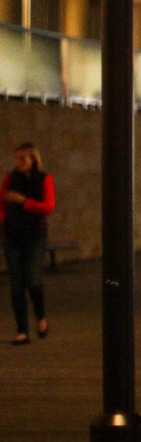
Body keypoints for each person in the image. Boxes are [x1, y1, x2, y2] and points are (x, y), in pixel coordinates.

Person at [1, 143, 55, 345]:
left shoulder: (43, 179)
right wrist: (3, 221)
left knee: (33, 280)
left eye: (23, 158)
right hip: (12, 235)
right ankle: (22, 330)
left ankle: (41, 318)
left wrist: (24, 201)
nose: (18, 162)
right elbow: (2, 202)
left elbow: (48, 206)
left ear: (33, 159)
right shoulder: (10, 178)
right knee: (16, 284)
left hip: (35, 235)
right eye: (16, 158)